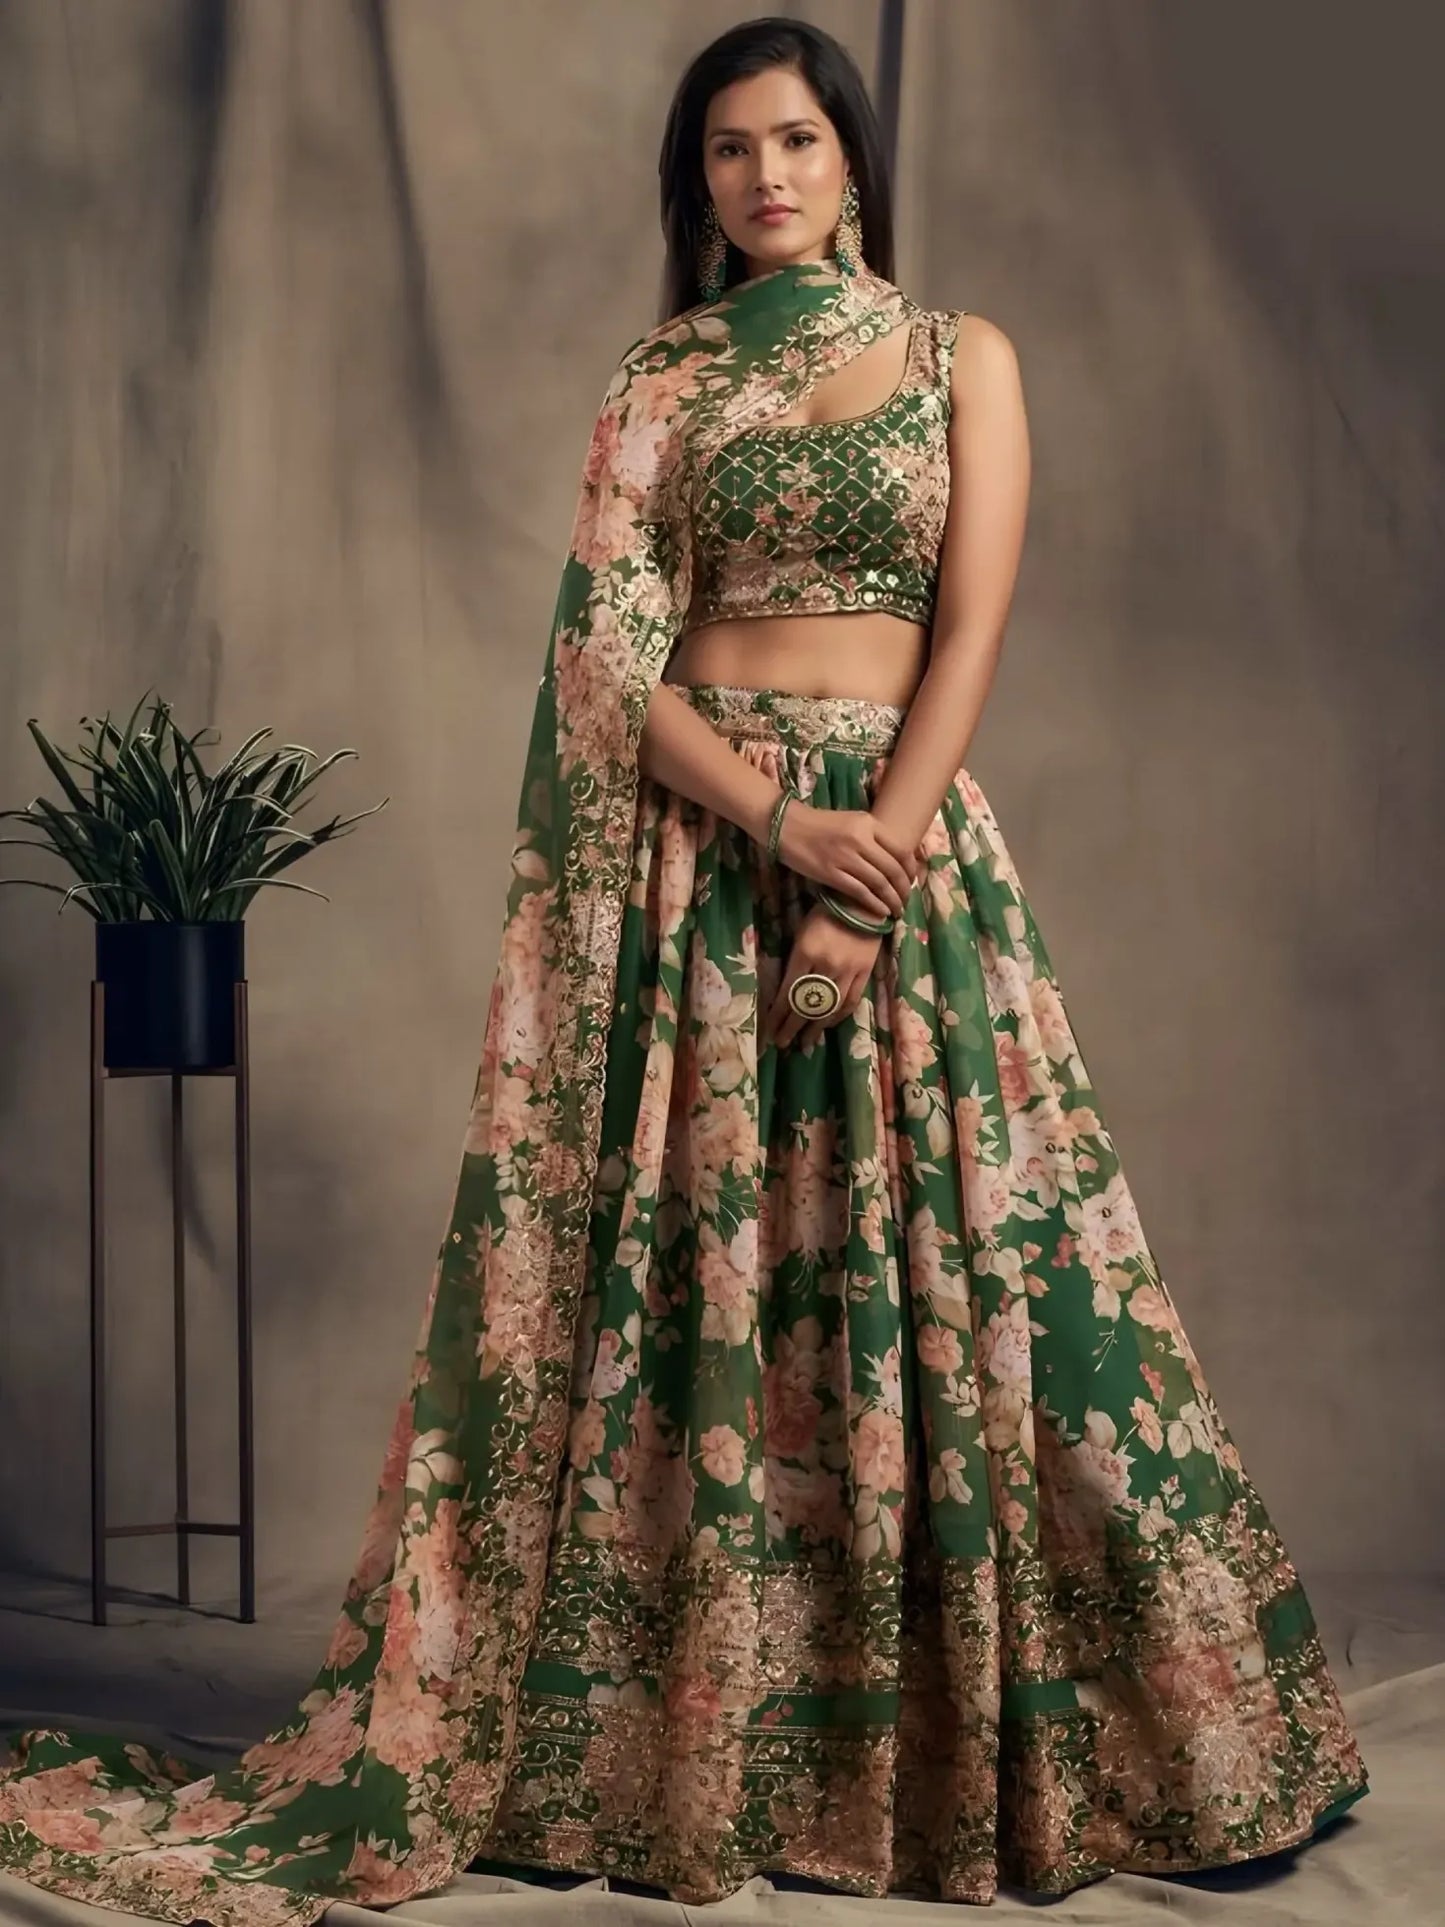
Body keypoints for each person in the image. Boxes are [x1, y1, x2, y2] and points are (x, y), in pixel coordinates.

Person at [0, 15, 1369, 1923]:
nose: (765, 178)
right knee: (697, 1310)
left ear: (851, 155)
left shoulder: (958, 356)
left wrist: (866, 862)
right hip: (695, 875)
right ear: (694, 184)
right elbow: (605, 674)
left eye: (794, 139)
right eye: (727, 152)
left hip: (900, 856)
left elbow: (969, 623)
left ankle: (1034, 1746)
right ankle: (698, 1747)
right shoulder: (659, 379)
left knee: (987, 1296)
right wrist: (778, 833)